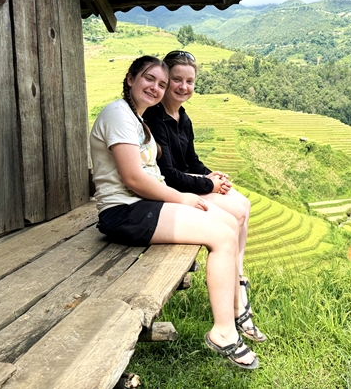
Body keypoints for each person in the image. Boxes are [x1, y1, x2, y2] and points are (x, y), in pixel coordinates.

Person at [90, 56, 259, 370]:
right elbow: (133, 178)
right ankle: (224, 332)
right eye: (149, 79)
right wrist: (182, 198)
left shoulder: (136, 118)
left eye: (161, 84)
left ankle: (235, 305)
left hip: (142, 206)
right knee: (221, 235)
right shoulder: (118, 114)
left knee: (226, 220)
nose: (156, 88)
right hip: (125, 212)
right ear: (130, 79)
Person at [143, 50, 266, 342]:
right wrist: (208, 185)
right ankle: (236, 298)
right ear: (166, 79)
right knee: (235, 213)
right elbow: (169, 173)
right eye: (176, 80)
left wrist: (214, 176)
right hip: (172, 191)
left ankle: (238, 276)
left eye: (190, 81)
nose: (183, 87)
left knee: (244, 204)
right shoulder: (156, 118)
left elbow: (192, 161)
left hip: (187, 183)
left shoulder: (182, 117)